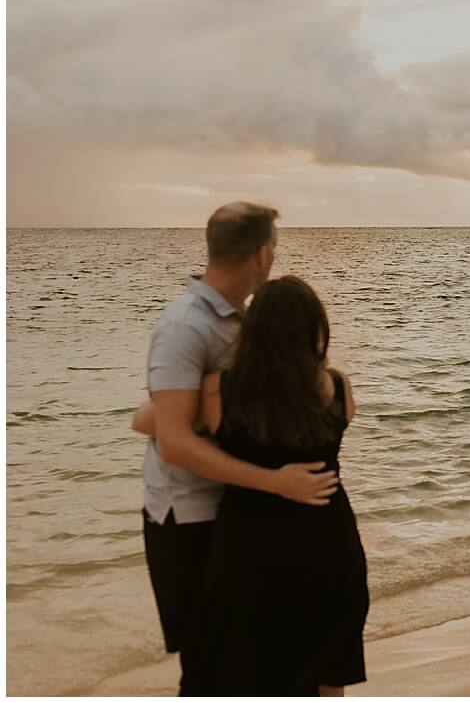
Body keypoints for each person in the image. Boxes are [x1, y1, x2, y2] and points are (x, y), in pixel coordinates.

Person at [135, 202, 338, 695]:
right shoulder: (187, 325)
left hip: (237, 515)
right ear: (263, 253)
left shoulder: (243, 323)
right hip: (189, 517)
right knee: (208, 668)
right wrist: (275, 481)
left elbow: (157, 419)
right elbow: (176, 442)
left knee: (252, 664)